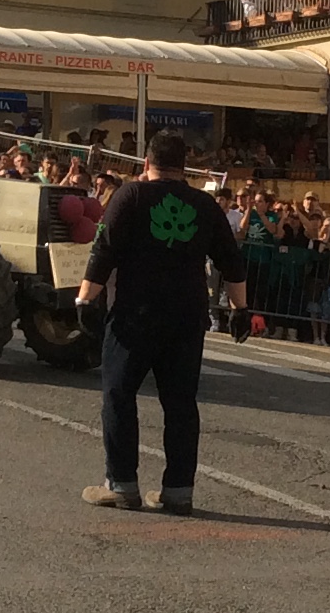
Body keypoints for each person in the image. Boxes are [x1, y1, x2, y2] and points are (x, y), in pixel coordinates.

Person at [76, 132, 246, 515]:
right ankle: (178, 491)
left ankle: (122, 485)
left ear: (146, 162)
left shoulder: (130, 197)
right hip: (187, 317)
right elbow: (231, 260)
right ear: (184, 165)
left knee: (119, 395)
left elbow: (104, 250)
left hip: (137, 314)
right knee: (181, 404)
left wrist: (85, 298)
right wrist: (240, 309)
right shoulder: (204, 204)